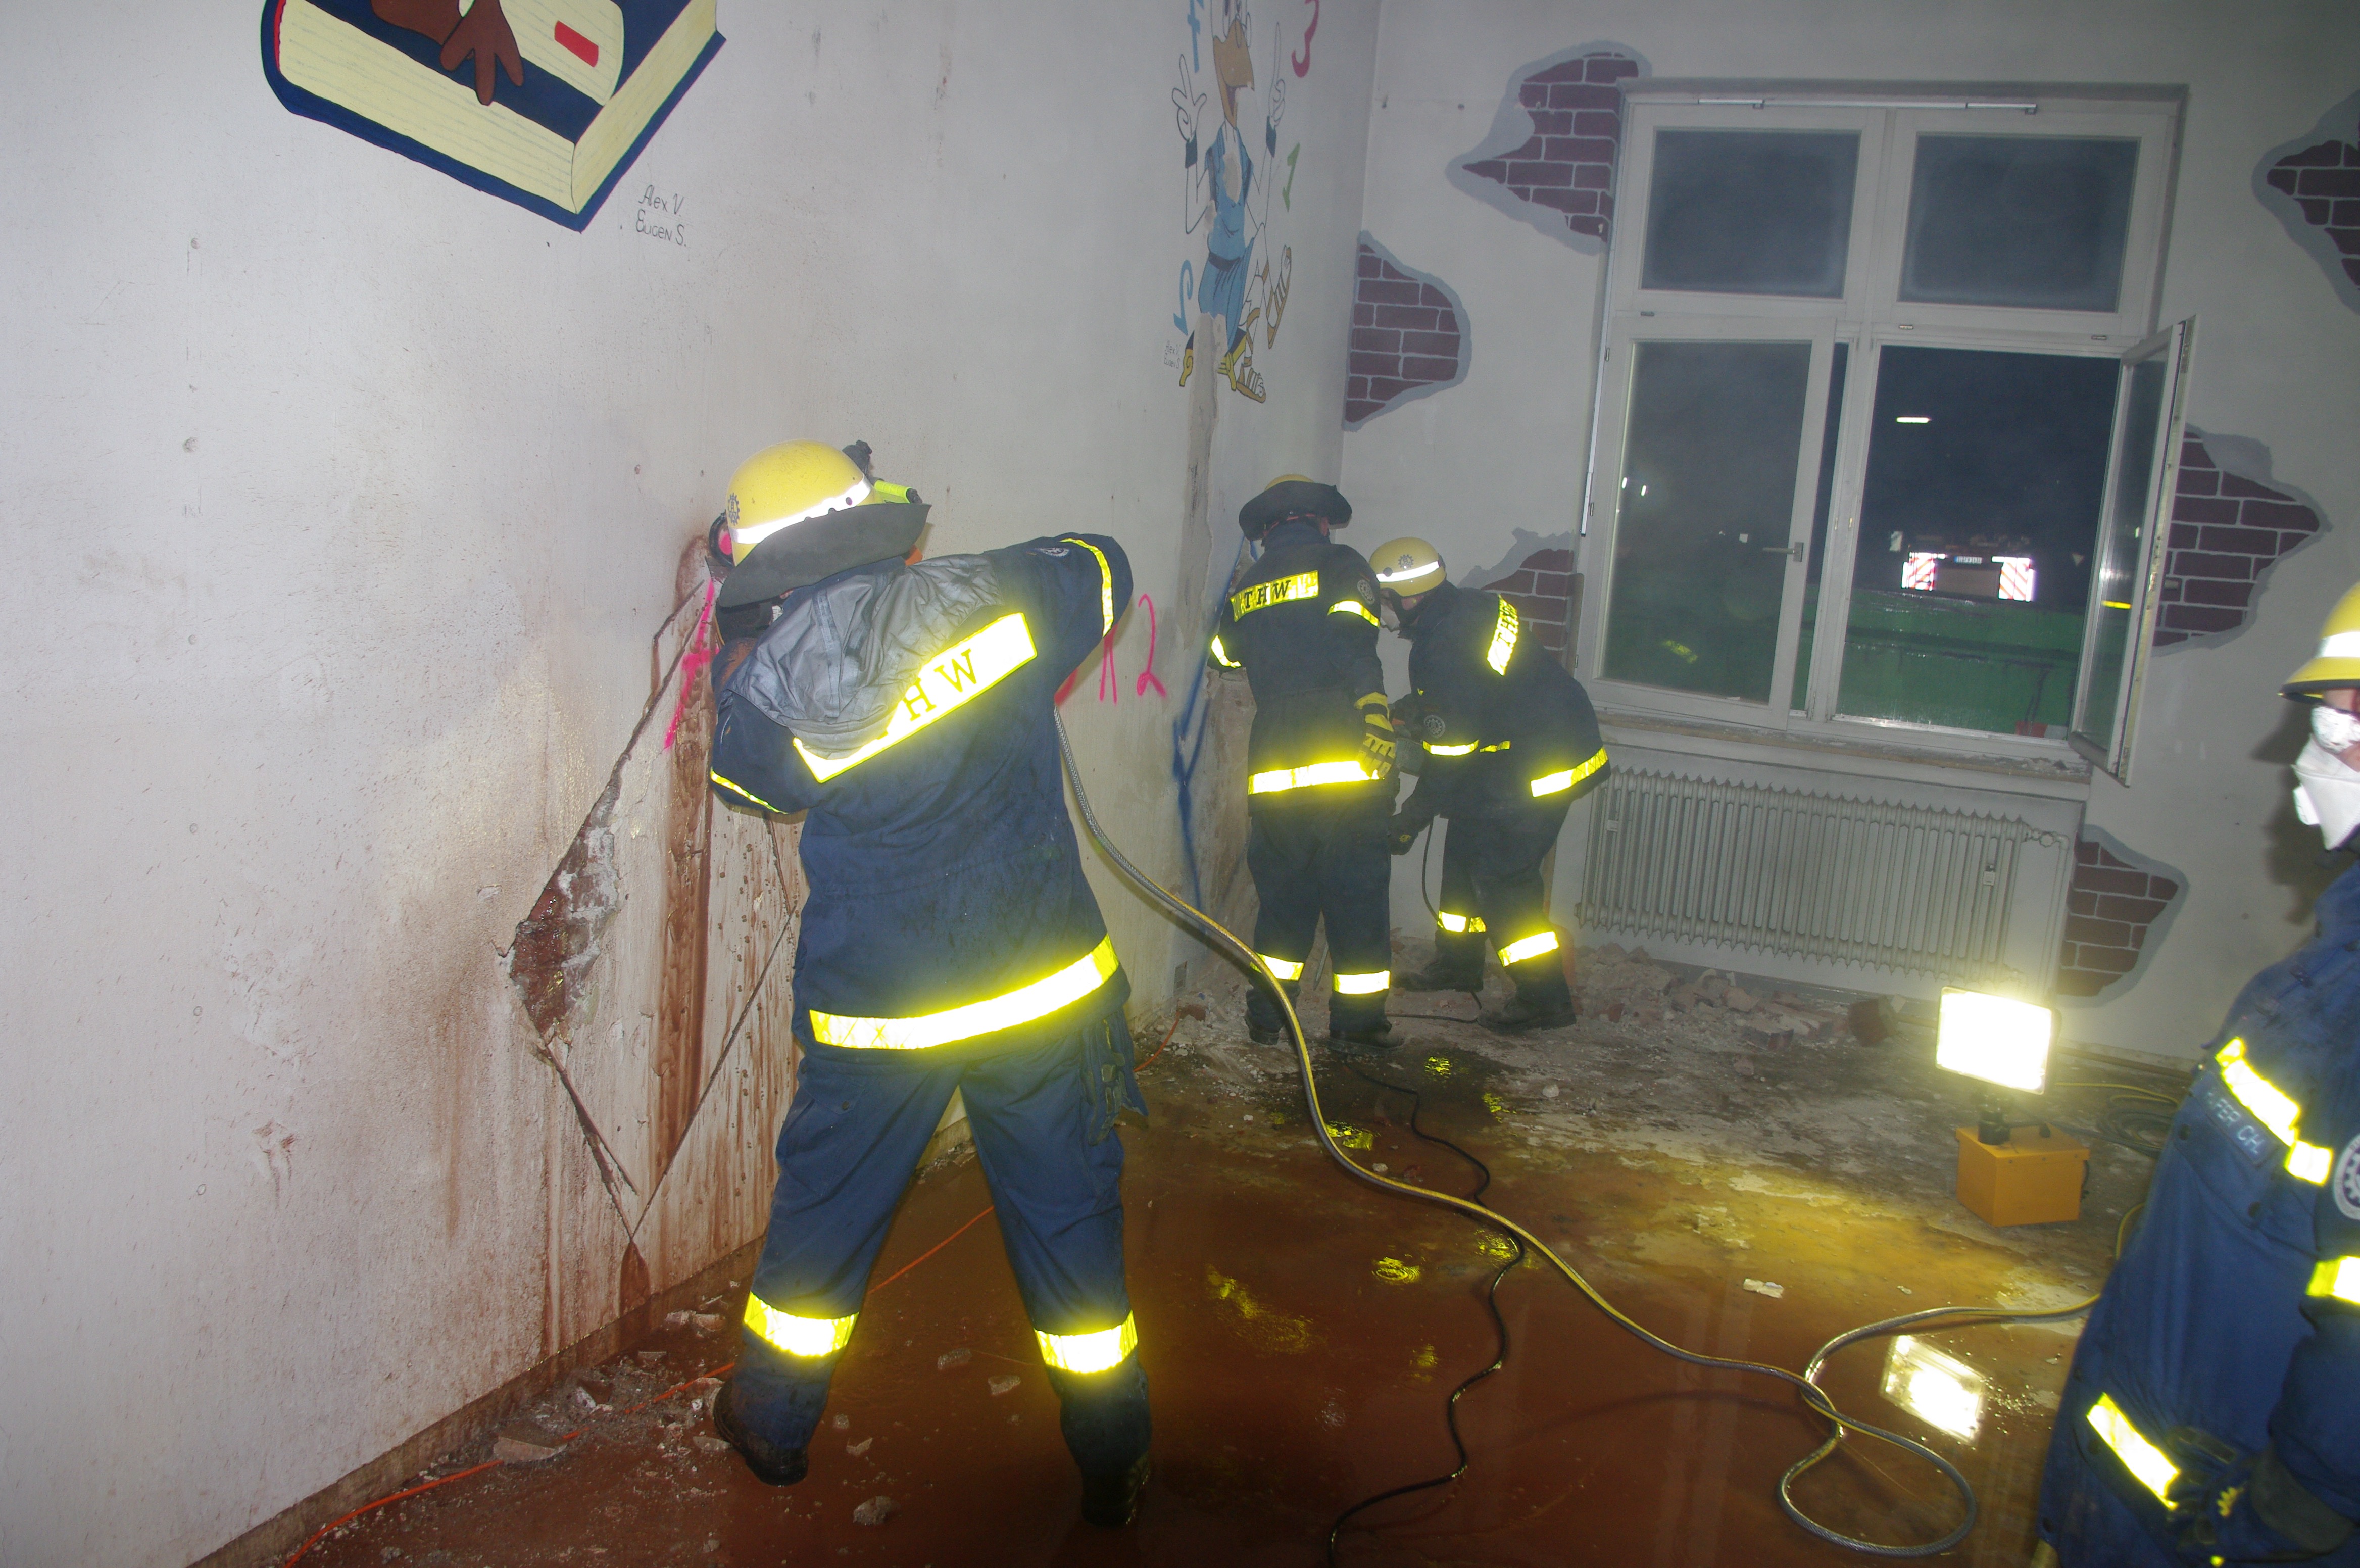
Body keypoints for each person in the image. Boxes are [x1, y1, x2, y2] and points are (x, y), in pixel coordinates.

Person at [701, 439, 1153, 1527]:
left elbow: (742, 783)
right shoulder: (997, 592)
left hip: (879, 1014)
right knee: (1068, 1220)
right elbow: (1104, 564)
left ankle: (769, 1423)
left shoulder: (772, 690)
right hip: (1039, 995)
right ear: (874, 521)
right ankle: (1110, 1454)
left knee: (823, 1220)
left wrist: (752, 645)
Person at [2033, 583, 2360, 1567]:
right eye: (2329, 710)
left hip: (2212, 1519)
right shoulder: (2333, 963)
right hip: (2150, 1469)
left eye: (2346, 717)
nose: (2317, 744)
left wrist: (2282, 1521)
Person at [1368, 537, 1606, 1034]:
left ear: (1410, 598)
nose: (1380, 609)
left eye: (1384, 599)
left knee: (1503, 878)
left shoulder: (1440, 646)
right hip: (1517, 748)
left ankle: (1544, 998)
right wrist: (1412, 708)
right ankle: (1458, 964)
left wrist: (1409, 820)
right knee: (1463, 849)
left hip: (1542, 764)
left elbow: (1449, 756)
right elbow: (1470, 689)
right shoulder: (1472, 605)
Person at [1208, 475, 1397, 1049]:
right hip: (1343, 756)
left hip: (1274, 759)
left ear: (1268, 529)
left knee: (1283, 899)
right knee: (1356, 896)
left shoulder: (1249, 584)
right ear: (1320, 521)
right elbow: (1353, 644)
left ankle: (1268, 1019)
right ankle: (1357, 1027)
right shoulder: (1341, 563)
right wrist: (1375, 711)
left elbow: (1223, 656)